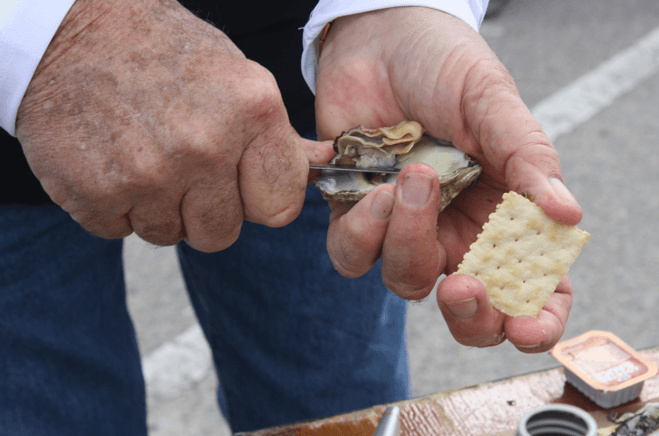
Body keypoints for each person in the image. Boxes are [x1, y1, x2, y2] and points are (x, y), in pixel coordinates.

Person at [0, 0, 583, 434]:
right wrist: (51, 35)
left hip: (323, 98)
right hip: (14, 134)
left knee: (336, 409)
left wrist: (392, 8)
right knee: (47, 416)